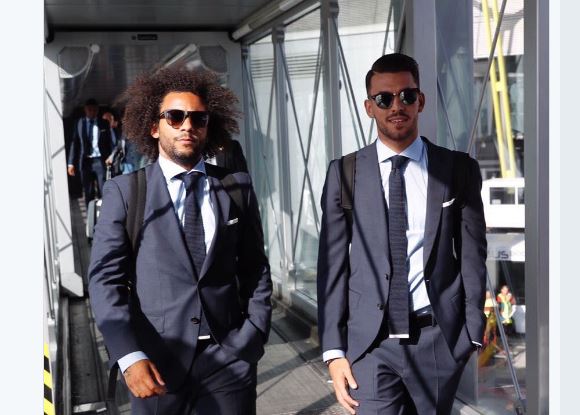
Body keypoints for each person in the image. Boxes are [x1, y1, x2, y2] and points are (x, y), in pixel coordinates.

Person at [88, 68, 272, 414]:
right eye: (175, 117)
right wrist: (129, 356)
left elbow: (254, 267)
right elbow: (105, 281)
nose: (187, 126)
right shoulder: (127, 193)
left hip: (229, 362)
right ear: (155, 127)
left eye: (198, 118)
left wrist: (253, 335)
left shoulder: (236, 187)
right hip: (156, 366)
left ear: (208, 127)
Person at [317, 53, 487, 414]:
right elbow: (332, 267)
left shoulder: (456, 169)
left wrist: (472, 331)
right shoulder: (344, 173)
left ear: (420, 100)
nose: (397, 106)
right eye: (384, 98)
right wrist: (334, 350)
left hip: (438, 340)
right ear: (369, 107)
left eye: (407, 96)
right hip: (370, 344)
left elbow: (473, 253)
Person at [67, 98, 114, 205]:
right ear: (85, 110)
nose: (92, 112)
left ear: (97, 110)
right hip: (85, 162)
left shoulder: (103, 123)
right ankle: (90, 217)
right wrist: (70, 163)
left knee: (104, 189)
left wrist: (111, 156)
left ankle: (105, 214)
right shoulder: (79, 123)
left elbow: (110, 142)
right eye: (89, 110)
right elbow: (75, 143)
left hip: (100, 160)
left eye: (94, 110)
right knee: (88, 191)